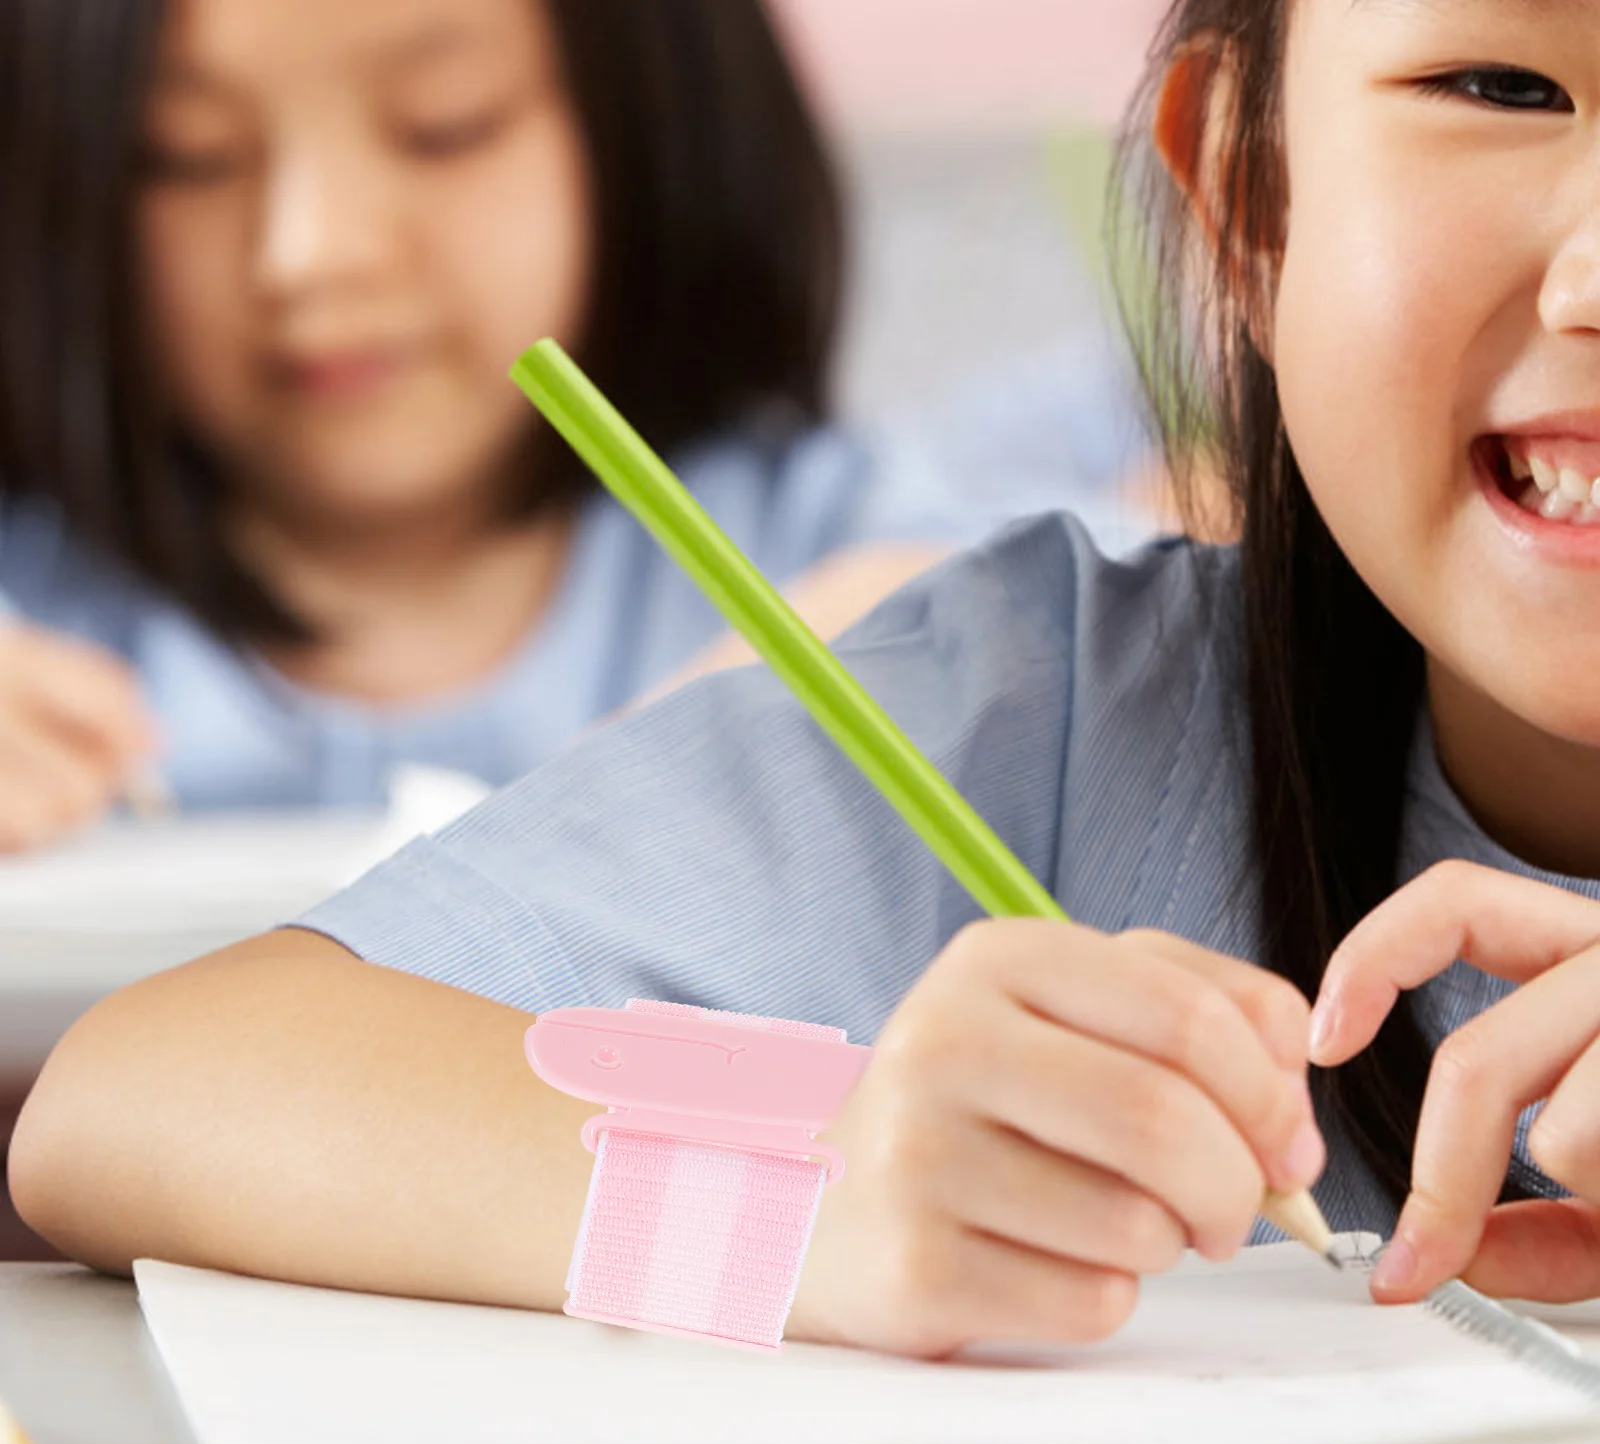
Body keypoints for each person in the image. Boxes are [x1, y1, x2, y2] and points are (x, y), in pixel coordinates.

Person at [21, 0, 1600, 1354]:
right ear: (1254, 198)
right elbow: (135, 1101)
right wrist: (802, 1206)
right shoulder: (1048, 714)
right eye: (1504, 88)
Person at [0, 0, 963, 849]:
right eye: (186, 155)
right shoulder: (28, 614)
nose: (311, 253)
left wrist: (973, 645)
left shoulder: (838, 542)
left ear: (659, 117)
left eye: (445, 126)